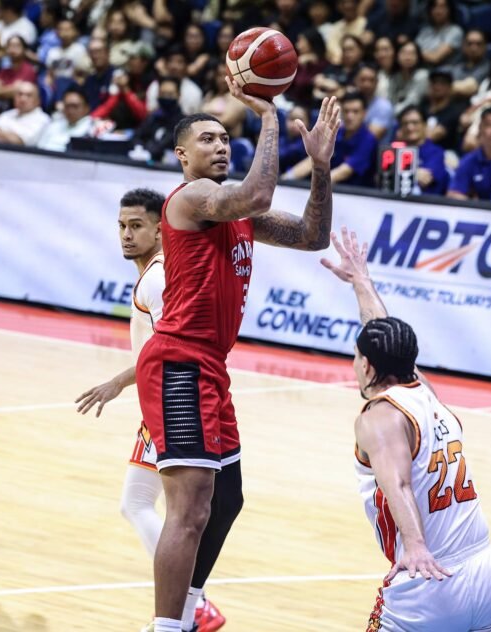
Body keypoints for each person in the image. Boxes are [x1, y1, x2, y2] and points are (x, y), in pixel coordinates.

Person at [134, 83, 338, 632]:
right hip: (178, 361)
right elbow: (257, 196)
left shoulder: (234, 211)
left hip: (210, 367)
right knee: (190, 507)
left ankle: (190, 603)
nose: (221, 146)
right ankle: (168, 626)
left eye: (226, 138)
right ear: (182, 155)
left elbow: (313, 235)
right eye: (208, 139)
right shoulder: (191, 200)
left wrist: (319, 167)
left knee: (227, 498)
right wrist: (269, 118)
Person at [320, 227, 491, 631]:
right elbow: (384, 331)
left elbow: (398, 483)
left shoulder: (379, 417)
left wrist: (415, 547)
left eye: (357, 357)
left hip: (434, 579)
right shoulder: (424, 394)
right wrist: (362, 283)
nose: (355, 363)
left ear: (368, 366)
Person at [74, 188, 225, 632]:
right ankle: (189, 607)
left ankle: (189, 606)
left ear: (161, 230)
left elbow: (169, 348)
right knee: (137, 503)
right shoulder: (155, 272)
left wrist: (116, 383)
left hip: (173, 401)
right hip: (165, 400)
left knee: (150, 506)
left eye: (136, 226)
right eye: (121, 226)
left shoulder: (157, 278)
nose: (125, 235)